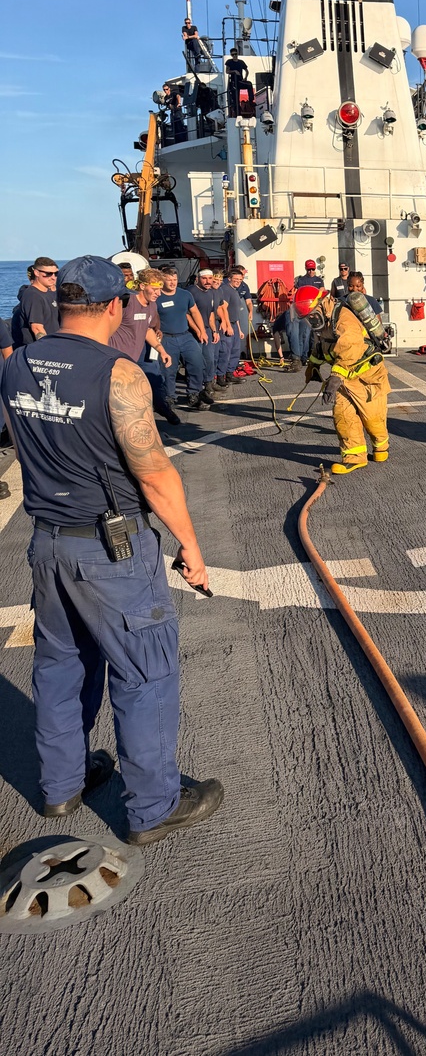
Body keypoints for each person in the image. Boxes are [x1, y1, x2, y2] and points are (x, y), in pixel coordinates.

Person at [0, 255, 223, 844]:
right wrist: (191, 548)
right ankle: (153, 806)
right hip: (111, 549)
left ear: (64, 303)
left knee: (59, 664)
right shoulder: (118, 374)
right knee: (144, 671)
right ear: (115, 306)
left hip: (46, 542)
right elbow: (152, 472)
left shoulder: (18, 363)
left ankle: (61, 787)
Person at [295, 284, 390, 474]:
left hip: (367, 377)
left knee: (372, 418)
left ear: (321, 305)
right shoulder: (324, 320)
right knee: (343, 416)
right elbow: (322, 344)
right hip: (345, 379)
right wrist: (313, 364)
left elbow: (349, 348)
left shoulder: (344, 318)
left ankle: (381, 445)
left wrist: (335, 377)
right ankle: (354, 457)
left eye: (312, 315)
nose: (311, 320)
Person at [109, 268, 180, 426]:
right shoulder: (126, 303)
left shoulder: (152, 306)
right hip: (118, 358)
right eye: (154, 289)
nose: (158, 293)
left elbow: (148, 329)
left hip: (138, 354)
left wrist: (161, 350)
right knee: (124, 397)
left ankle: (162, 408)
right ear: (142, 286)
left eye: (160, 289)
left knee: (155, 381)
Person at [156, 267, 211, 410]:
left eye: (174, 279)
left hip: (185, 336)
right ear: (162, 280)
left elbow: (195, 312)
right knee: (168, 370)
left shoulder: (185, 295)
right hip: (166, 338)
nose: (172, 282)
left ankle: (194, 395)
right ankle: (170, 398)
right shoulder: (156, 297)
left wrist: (202, 331)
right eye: (169, 280)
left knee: (197, 363)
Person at [190, 268, 225, 393]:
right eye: (204, 278)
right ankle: (196, 389)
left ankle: (209, 383)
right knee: (196, 361)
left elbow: (211, 313)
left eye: (210, 278)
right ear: (198, 279)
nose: (208, 281)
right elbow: (187, 314)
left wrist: (214, 331)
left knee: (210, 359)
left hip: (207, 330)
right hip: (193, 332)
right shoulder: (191, 292)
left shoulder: (210, 292)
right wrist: (199, 331)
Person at [13, 258, 60, 346]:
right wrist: (49, 348)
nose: (53, 277)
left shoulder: (49, 294)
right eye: (48, 274)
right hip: (40, 349)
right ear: (36, 273)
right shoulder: (33, 295)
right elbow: (37, 328)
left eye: (56, 273)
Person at [218, 270, 249, 385]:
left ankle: (230, 374)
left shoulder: (235, 291)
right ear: (229, 279)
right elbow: (223, 308)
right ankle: (221, 377)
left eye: (240, 280)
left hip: (234, 324)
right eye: (235, 279)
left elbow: (235, 313)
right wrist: (227, 325)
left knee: (235, 351)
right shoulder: (226, 290)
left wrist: (239, 329)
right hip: (228, 325)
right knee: (225, 351)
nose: (238, 282)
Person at [288, 261, 320, 370]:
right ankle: (303, 357)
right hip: (303, 311)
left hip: (314, 311)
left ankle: (308, 356)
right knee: (304, 335)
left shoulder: (319, 280)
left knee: (312, 336)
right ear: (306, 269)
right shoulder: (301, 280)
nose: (311, 271)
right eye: (309, 270)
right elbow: (296, 293)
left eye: (312, 269)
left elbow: (321, 294)